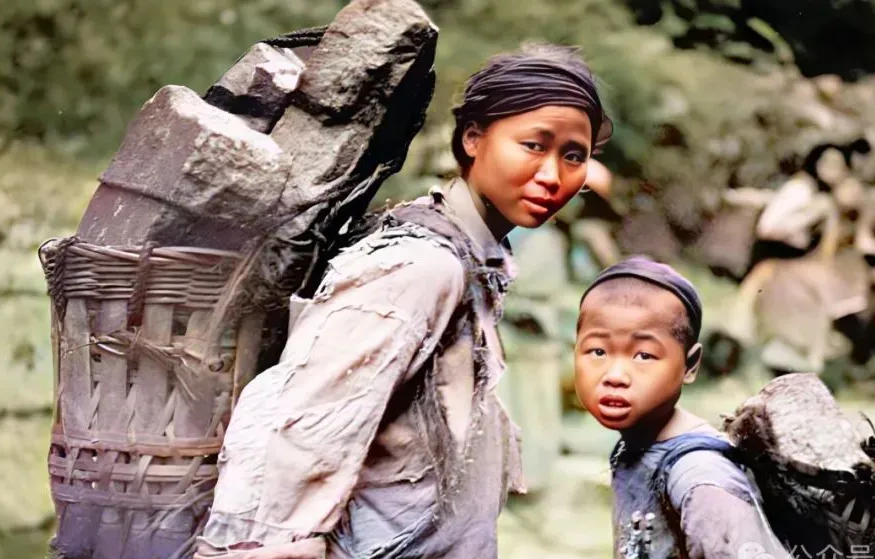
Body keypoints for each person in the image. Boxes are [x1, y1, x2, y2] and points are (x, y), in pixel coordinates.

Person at [194, 43, 613, 559]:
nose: (552, 175)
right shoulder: (421, 265)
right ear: (473, 137)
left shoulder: (477, 260)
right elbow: (304, 433)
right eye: (533, 145)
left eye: (573, 156)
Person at [572, 256, 788, 559]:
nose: (615, 376)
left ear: (690, 365)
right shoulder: (635, 445)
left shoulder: (701, 478)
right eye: (598, 351)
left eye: (644, 355)